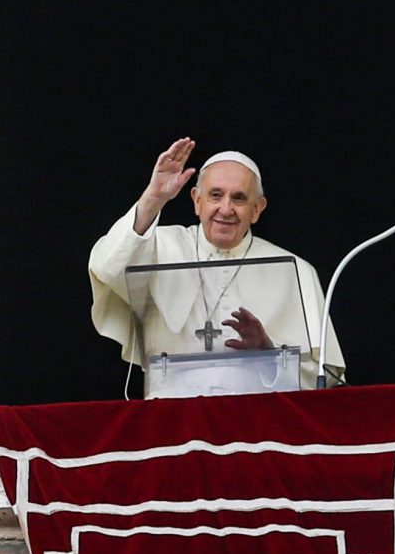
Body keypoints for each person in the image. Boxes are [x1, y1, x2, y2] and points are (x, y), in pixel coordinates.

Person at [89, 137, 345, 395]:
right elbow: (107, 268)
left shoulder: (296, 271)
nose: (226, 209)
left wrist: (268, 353)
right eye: (215, 195)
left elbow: (326, 378)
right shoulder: (157, 247)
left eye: (239, 198)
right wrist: (152, 199)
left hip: (258, 426)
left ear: (257, 209)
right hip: (172, 421)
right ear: (196, 201)